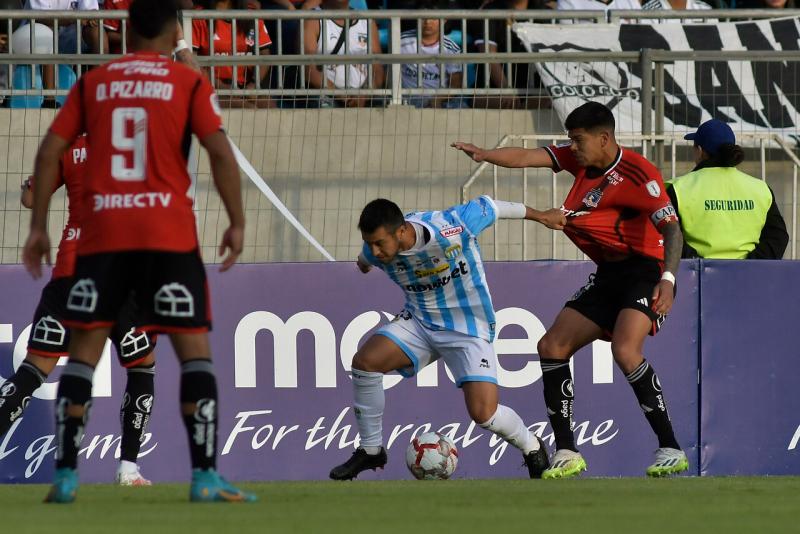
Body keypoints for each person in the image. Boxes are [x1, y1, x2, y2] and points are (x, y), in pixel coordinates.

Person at [22, 0, 252, 503]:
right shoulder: (186, 82)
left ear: (126, 31)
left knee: (82, 357)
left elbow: (48, 153)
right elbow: (218, 149)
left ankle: (64, 476)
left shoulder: (93, 84)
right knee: (193, 356)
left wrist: (38, 226)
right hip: (168, 238)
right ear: (174, 33)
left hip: (104, 239)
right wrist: (235, 220)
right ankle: (205, 477)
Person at [452, 102, 689, 479]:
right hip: (609, 275)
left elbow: (673, 229)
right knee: (551, 347)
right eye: (570, 141)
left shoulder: (639, 174)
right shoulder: (583, 160)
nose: (572, 148)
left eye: (578, 140)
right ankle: (567, 451)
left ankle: (670, 447)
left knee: (625, 350)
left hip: (645, 272)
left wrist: (668, 280)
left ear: (604, 138)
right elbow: (528, 156)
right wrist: (485, 155)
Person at [329, 196, 554, 481]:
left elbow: (494, 207)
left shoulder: (452, 227)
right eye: (369, 243)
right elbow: (366, 257)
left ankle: (531, 447)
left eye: (379, 244)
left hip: (467, 328)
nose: (375, 251)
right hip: (420, 323)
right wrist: (363, 262)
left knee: (484, 414)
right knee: (365, 363)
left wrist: (542, 215)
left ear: (401, 232)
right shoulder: (375, 250)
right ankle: (371, 450)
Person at [1, 136, 157, 487]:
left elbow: (29, 198)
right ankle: (128, 469)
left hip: (70, 273)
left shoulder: (68, 148)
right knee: (142, 366)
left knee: (32, 371)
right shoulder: (133, 145)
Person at [666, 119, 789, 259]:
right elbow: (777, 237)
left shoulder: (677, 188)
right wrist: (751, 265)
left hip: (695, 277)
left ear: (699, 151)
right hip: (749, 277)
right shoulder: (761, 189)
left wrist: (699, 265)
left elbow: (669, 235)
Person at [192, 0, 275, 108]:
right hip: (212, 87)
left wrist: (253, 85)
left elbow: (265, 55)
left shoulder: (251, 15)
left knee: (269, 106)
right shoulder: (198, 15)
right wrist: (222, 87)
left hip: (245, 87)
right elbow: (191, 60)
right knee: (247, 108)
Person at [303, 0, 385, 108]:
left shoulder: (367, 21)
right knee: (324, 106)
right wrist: (340, 94)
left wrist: (364, 94)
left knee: (387, 106)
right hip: (328, 95)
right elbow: (308, 69)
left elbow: (377, 69)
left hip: (364, 95)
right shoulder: (312, 20)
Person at [400, 1, 464, 108]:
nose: (427, 22)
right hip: (407, 101)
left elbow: (456, 84)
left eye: (433, 17)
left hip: (439, 101)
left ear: (444, 20)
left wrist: (438, 99)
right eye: (423, 17)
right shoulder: (401, 41)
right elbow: (390, 75)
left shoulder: (451, 49)